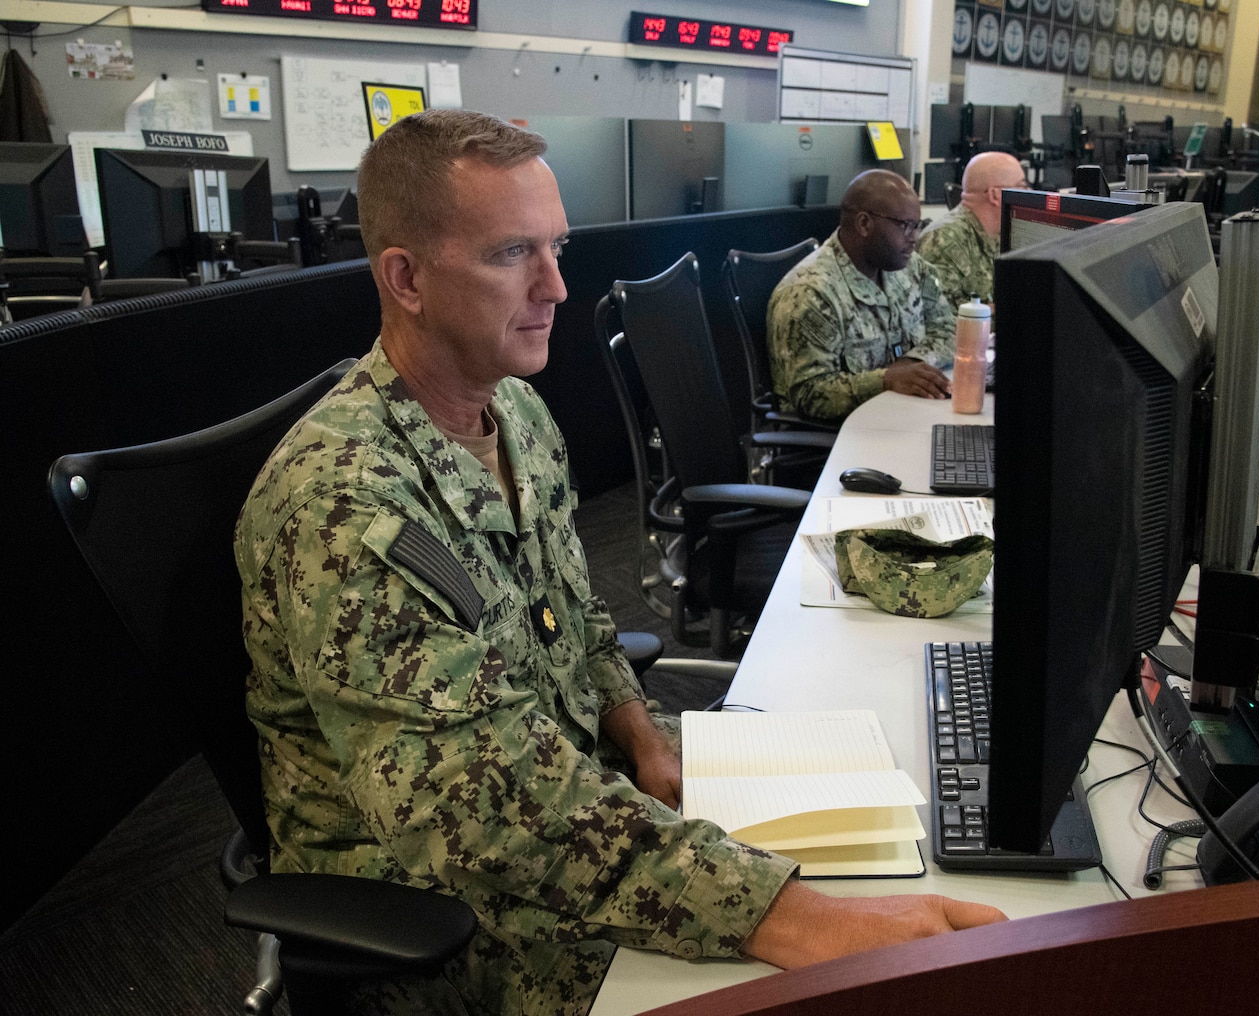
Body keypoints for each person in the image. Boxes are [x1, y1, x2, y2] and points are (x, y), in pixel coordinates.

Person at [235, 110, 1005, 1016]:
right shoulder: (344, 502)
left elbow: (574, 615)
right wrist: (793, 917)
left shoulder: (514, 416)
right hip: (441, 907)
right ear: (405, 278)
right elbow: (484, 811)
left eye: (557, 248)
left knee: (888, 847)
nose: (556, 286)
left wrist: (639, 733)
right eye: (511, 254)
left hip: (569, 802)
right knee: (838, 965)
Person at [767, 169, 955, 424]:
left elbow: (948, 329)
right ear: (864, 224)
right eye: (905, 226)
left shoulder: (910, 267)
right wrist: (885, 380)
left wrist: (912, 364)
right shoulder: (810, 294)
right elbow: (810, 394)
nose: (914, 238)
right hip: (840, 436)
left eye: (918, 226)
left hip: (900, 416)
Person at [916, 151, 1028, 312]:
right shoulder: (943, 241)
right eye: (1022, 186)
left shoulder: (1001, 233)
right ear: (995, 195)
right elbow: (944, 321)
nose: (1028, 192)